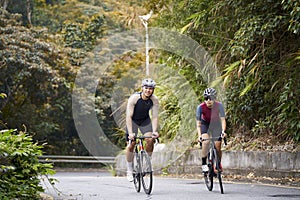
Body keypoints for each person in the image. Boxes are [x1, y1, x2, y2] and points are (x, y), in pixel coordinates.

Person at [125, 78, 159, 182]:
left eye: (151, 89)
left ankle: (147, 163)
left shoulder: (154, 100)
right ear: (142, 88)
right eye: (146, 88)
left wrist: (154, 131)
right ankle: (130, 169)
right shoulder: (134, 98)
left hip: (145, 121)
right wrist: (130, 133)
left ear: (153, 90)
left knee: (150, 140)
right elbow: (128, 116)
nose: (148, 90)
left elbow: (154, 117)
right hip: (133, 121)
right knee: (131, 144)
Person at [196, 88, 227, 173]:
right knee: (205, 142)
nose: (208, 100)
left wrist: (223, 132)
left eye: (211, 98)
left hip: (216, 124)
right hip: (205, 124)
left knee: (218, 145)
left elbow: (223, 120)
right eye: (206, 98)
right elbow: (198, 125)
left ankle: (218, 162)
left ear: (215, 98)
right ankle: (203, 163)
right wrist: (199, 136)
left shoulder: (219, 105)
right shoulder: (200, 107)